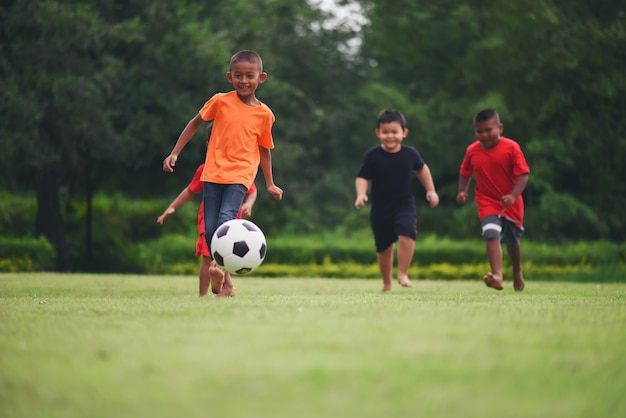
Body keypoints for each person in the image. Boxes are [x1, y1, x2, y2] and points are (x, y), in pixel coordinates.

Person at [162, 50, 283, 295]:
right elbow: (195, 122)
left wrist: (269, 183)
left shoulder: (264, 114)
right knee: (209, 232)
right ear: (230, 77)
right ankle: (225, 283)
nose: (244, 80)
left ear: (262, 78)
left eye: (250, 75)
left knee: (225, 219)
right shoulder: (220, 101)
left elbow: (265, 150)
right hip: (213, 174)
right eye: (238, 75)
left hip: (240, 176)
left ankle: (218, 272)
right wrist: (175, 152)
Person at [157, 124, 258, 297]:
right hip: (208, 221)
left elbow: (252, 190)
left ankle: (224, 288)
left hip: (232, 224)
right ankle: (206, 294)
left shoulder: (238, 170)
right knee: (208, 257)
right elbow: (190, 190)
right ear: (208, 144)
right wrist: (172, 206)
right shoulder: (205, 170)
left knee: (221, 254)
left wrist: (249, 203)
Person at [355, 109, 440, 293]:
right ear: (378, 133)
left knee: (407, 233)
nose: (390, 136)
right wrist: (361, 194)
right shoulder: (373, 155)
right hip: (380, 208)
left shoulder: (410, 154)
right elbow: (362, 177)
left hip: (404, 204)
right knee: (384, 246)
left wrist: (431, 190)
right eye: (386, 132)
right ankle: (386, 283)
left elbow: (422, 170)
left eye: (395, 132)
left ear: (404, 132)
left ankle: (403, 273)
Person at [456, 108, 530, 292]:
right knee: (491, 232)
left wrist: (513, 196)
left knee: (513, 242)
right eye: (479, 131)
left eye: (488, 130)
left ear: (500, 128)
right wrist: (462, 191)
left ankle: (517, 270)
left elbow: (523, 175)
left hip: (511, 202)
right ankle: (497, 275)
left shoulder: (512, 147)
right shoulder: (472, 151)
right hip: (486, 200)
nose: (484, 135)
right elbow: (465, 172)